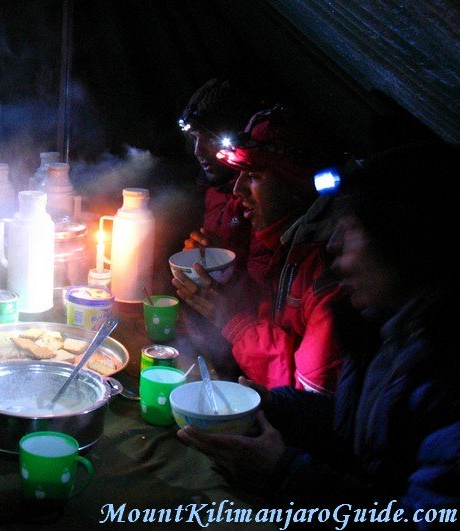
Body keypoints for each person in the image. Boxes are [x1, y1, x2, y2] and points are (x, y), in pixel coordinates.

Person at [178, 141, 460, 527]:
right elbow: (351, 434)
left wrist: (285, 474)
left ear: (403, 239)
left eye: (349, 229)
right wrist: (268, 404)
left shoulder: (446, 373)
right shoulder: (387, 332)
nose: (333, 243)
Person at [172, 105, 344, 393]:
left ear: (294, 183)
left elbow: (308, 394)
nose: (237, 190)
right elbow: (268, 313)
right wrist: (225, 277)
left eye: (253, 176)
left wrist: (233, 320)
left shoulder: (327, 273)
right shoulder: (282, 241)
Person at [177, 77, 269, 284]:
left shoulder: (258, 195)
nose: (198, 150)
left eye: (210, 138)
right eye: (194, 138)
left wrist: (223, 262)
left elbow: (266, 287)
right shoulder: (214, 189)